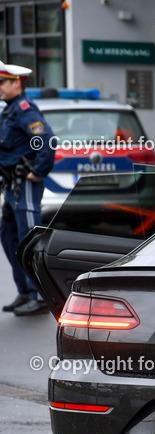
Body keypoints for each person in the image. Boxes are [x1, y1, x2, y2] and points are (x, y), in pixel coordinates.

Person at [0, 60, 55, 316]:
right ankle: (24, 291)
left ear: (16, 84)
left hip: (25, 185)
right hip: (12, 186)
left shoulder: (24, 110)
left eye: (3, 82)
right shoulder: (9, 111)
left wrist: (38, 172)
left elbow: (46, 141)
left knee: (29, 240)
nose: (0, 87)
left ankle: (39, 296)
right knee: (8, 236)